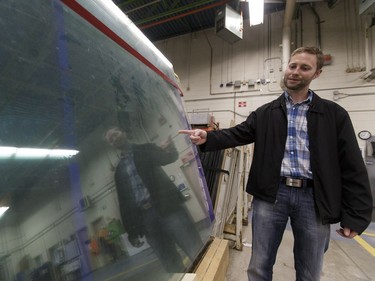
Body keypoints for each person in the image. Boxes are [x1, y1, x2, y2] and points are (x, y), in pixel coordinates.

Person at [179, 46, 373, 281]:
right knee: (259, 267)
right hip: (271, 196)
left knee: (310, 272)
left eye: (305, 68)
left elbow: (352, 166)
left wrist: (356, 215)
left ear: (317, 73)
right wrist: (208, 137)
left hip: (314, 200)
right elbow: (238, 134)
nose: (296, 72)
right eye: (292, 66)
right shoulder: (266, 112)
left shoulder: (334, 114)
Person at [105, 127, 203, 273]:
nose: (114, 139)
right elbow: (124, 202)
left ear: (124, 133)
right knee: (170, 264)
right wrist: (131, 231)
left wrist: (170, 148)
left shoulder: (145, 149)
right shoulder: (119, 171)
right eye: (111, 140)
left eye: (115, 134)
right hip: (146, 220)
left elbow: (168, 158)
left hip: (168, 208)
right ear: (112, 146)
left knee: (194, 248)